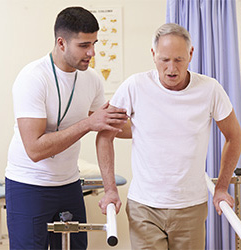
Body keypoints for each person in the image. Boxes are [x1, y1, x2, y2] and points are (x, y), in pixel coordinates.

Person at [96, 23, 241, 250]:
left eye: (179, 59)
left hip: (191, 207)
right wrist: (110, 190)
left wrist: (222, 187)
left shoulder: (210, 89)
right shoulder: (135, 86)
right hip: (144, 207)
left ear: (190, 54)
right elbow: (105, 135)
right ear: (153, 55)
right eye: (164, 60)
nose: (171, 68)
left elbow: (234, 136)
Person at [5, 6, 128, 250]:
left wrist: (162, 125)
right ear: (61, 43)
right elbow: (35, 150)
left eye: (94, 43)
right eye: (83, 45)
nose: (92, 52)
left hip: (69, 185)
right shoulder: (33, 78)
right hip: (28, 185)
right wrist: (88, 123)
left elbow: (108, 127)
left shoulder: (91, 78)